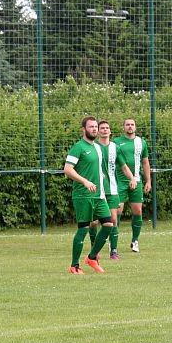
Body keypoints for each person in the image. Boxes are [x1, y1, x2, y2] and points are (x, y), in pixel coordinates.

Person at [64, 116, 113, 274]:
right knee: (83, 228)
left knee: (108, 225)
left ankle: (92, 258)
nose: (94, 129)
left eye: (95, 127)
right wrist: (85, 181)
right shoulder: (78, 147)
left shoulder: (98, 147)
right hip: (83, 195)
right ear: (83, 129)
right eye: (91, 127)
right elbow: (68, 169)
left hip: (99, 195)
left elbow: (99, 171)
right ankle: (74, 266)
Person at [112, 118, 151, 253]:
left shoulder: (141, 142)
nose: (130, 126)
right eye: (127, 124)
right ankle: (113, 241)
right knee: (117, 211)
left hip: (137, 181)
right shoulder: (116, 142)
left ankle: (135, 241)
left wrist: (148, 181)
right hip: (119, 181)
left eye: (132, 124)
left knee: (138, 211)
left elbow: (145, 162)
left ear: (135, 127)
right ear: (123, 127)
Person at [98, 120, 135, 259]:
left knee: (113, 219)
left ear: (110, 131)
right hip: (97, 189)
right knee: (94, 222)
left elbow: (124, 166)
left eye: (107, 128)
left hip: (112, 189)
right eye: (102, 128)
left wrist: (132, 178)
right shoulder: (94, 146)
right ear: (98, 131)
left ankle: (113, 250)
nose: (104, 130)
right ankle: (95, 249)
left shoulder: (115, 148)